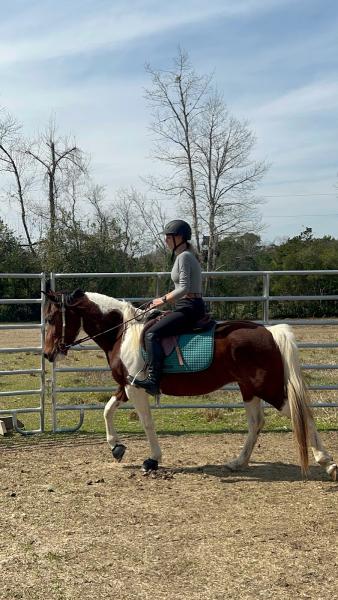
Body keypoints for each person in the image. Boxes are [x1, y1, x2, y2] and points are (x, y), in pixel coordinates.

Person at [128, 219, 206, 395]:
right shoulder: (183, 255)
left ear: (179, 237)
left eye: (168, 237)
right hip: (186, 305)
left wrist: (162, 300)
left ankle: (154, 381)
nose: (166, 240)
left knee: (151, 333)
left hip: (189, 308)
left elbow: (184, 288)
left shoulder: (184, 256)